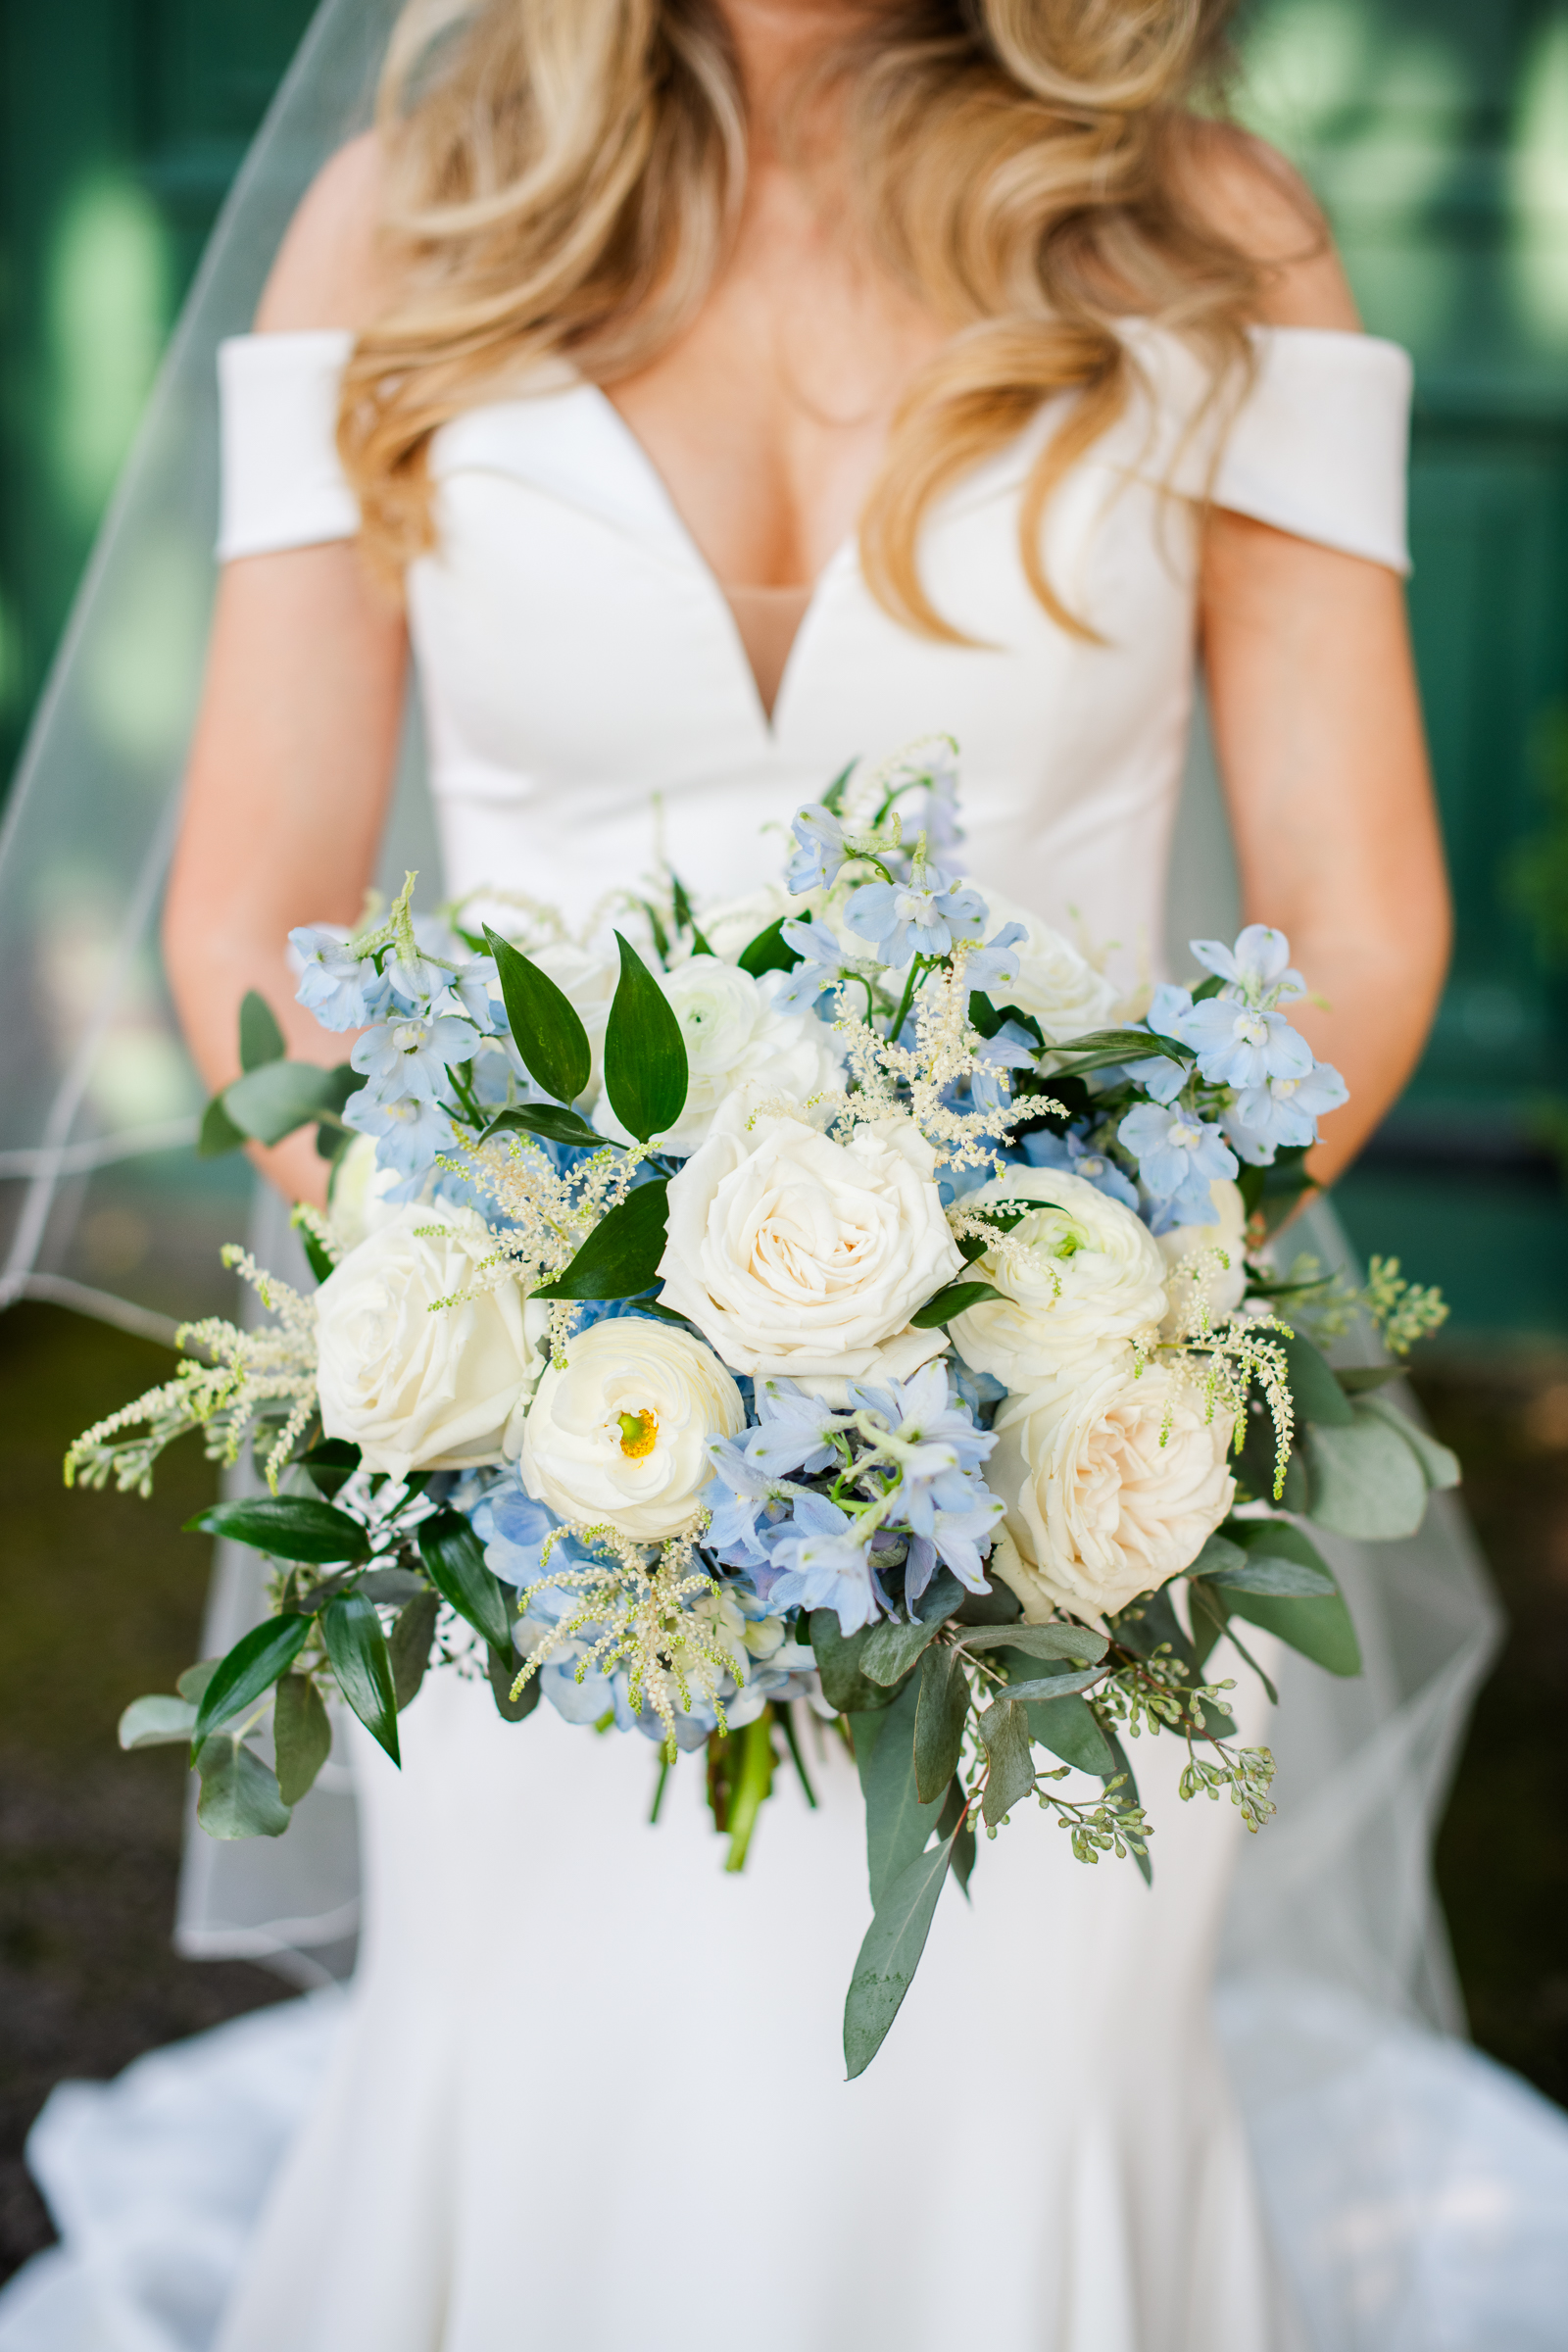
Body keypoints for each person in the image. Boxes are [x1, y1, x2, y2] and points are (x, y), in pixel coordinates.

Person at [3, 2, 1499, 2346]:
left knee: (1010, 2125)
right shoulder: (405, 216)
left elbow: (1360, 921)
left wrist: (1074, 1360)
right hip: (537, 1490)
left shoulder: (1204, 237)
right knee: (558, 2107)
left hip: (1062, 1515)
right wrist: (482, 1347)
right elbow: (251, 911)